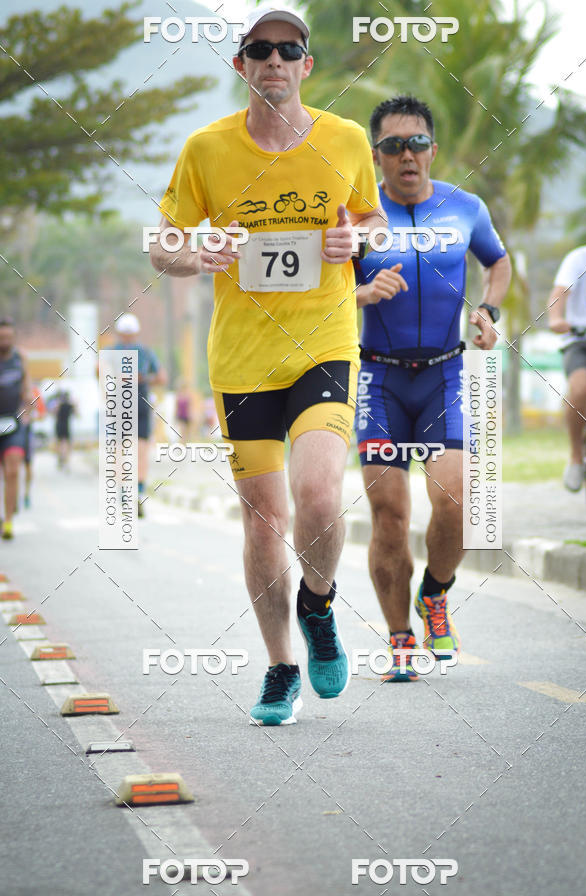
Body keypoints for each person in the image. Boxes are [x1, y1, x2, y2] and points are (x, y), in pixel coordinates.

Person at [149, 4, 386, 725]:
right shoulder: (205, 149)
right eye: (260, 49)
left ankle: (319, 605)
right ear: (241, 65)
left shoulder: (345, 140)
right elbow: (162, 245)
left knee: (318, 495)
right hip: (243, 360)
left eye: (289, 50)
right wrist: (199, 254)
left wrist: (357, 244)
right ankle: (282, 664)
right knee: (262, 521)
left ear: (306, 66)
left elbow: (371, 219)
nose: (275, 61)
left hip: (323, 343)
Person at [354, 95, 511, 681]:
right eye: (393, 146)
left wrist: (490, 310)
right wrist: (363, 294)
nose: (407, 155)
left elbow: (498, 262)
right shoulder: (359, 217)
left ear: (433, 149)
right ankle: (399, 638)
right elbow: (325, 291)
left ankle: (435, 593)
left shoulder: (464, 207)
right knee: (389, 514)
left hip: (446, 372)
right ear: (377, 156)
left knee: (456, 500)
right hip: (380, 378)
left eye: (416, 142)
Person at [547, 208, 586, 492]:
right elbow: (558, 295)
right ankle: (577, 457)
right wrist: (557, 319)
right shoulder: (578, 259)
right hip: (582, 341)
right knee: (579, 389)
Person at [110, 313, 167, 517]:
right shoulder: (145, 352)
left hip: (122, 403)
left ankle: (127, 492)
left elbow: (99, 372)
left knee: (122, 451)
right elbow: (161, 377)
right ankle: (137, 492)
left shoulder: (112, 351)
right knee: (137, 451)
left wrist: (124, 379)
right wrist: (141, 379)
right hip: (137, 401)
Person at [0, 318, 32, 540]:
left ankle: (8, 521)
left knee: (12, 470)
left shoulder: (20, 358)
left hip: (14, 422)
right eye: (2, 338)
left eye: (9, 337)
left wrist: (28, 407)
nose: (5, 341)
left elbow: (27, 388)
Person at [23, 385, 46, 506]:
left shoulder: (34, 391)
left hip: (26, 432)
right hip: (9, 431)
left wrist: (30, 415)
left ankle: (26, 494)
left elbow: (42, 415)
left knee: (28, 465)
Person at [54, 390, 76, 469]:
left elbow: (54, 413)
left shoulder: (59, 405)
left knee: (60, 443)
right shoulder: (69, 405)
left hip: (60, 425)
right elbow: (76, 414)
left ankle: (61, 459)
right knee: (65, 443)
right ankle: (65, 459)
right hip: (66, 425)